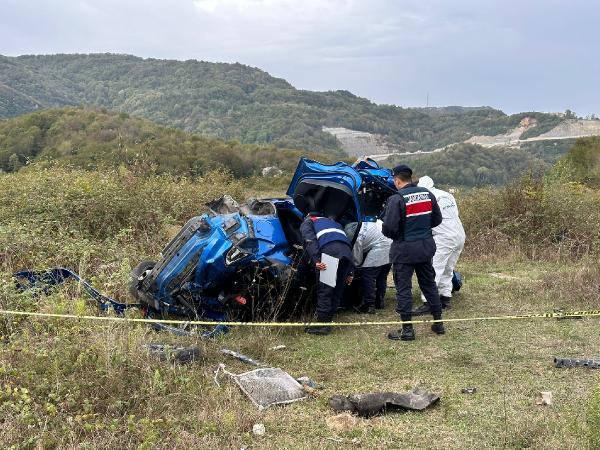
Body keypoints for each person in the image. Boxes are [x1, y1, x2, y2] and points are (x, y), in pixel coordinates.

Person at [382, 164, 445, 341]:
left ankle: (407, 330)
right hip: (425, 248)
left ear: (397, 180)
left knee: (404, 289)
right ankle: (438, 324)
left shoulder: (397, 199)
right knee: (429, 285)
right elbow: (437, 219)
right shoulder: (427, 194)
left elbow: (389, 229)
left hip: (404, 251)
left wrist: (400, 234)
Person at [412, 176, 466, 315]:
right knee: (448, 268)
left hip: (444, 236)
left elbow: (424, 219)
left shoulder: (427, 197)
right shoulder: (447, 195)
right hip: (459, 233)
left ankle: (428, 302)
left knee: (433, 269)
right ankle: (445, 298)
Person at [300, 212, 354, 335]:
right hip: (346, 254)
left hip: (330, 252)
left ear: (308, 215)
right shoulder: (334, 223)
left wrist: (316, 260)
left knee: (325, 289)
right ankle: (328, 320)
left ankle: (322, 326)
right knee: (337, 289)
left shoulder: (308, 222)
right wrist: (350, 272)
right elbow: (345, 242)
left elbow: (310, 241)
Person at [345, 220, 392, 314]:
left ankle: (368, 305)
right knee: (381, 276)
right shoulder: (364, 224)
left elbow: (357, 262)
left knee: (368, 275)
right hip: (391, 245)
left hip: (380, 247)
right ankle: (379, 302)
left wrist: (350, 272)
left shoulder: (356, 238)